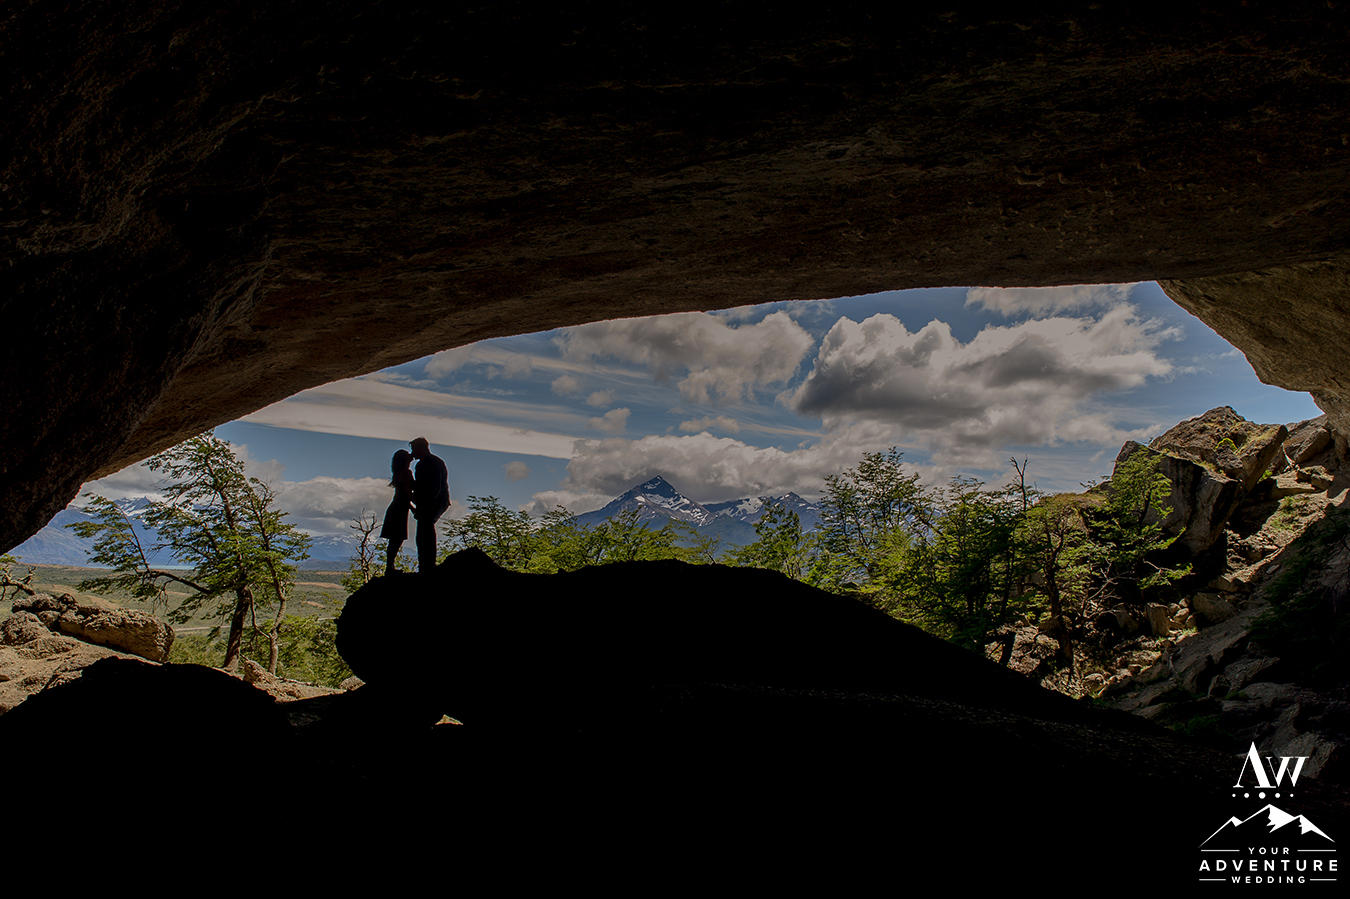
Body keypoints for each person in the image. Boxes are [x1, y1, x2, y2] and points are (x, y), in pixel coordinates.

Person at [409, 436, 450, 573]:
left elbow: (435, 487)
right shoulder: (430, 463)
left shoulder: (431, 463)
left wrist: (424, 503)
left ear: (421, 448)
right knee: (424, 529)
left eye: (414, 450)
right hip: (434, 501)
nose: (413, 453)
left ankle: (427, 564)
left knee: (424, 528)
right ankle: (427, 564)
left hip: (434, 501)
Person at [378, 449, 415, 576]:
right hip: (400, 508)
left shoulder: (399, 472)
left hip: (397, 507)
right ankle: (390, 568)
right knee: (397, 539)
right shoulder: (406, 473)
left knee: (394, 540)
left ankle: (389, 567)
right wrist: (414, 508)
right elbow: (407, 494)